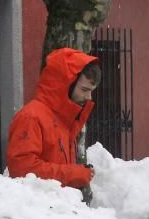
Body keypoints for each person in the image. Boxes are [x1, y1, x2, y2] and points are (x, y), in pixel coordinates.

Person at [6, 47, 101, 189]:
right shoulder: (31, 117)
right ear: (66, 85)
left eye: (91, 91)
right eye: (84, 90)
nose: (89, 98)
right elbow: (22, 171)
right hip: (37, 208)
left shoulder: (65, 120)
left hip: (54, 207)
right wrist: (73, 174)